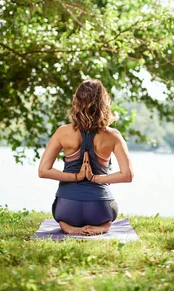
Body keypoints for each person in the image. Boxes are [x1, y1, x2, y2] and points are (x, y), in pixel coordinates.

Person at [38, 79, 134, 236]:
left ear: (77, 102)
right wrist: (95, 178)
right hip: (100, 210)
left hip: (66, 210)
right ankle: (103, 226)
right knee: (112, 212)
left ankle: (67, 226)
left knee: (59, 214)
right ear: (104, 103)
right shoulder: (113, 136)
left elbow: (43, 171)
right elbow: (128, 175)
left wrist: (76, 177)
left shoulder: (62, 132)